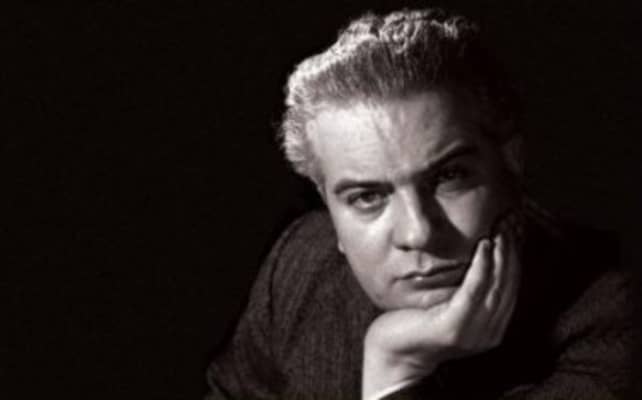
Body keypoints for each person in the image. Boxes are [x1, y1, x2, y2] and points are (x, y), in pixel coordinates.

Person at [204, 8, 637, 400]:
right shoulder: (300, 266)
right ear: (329, 209)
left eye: (448, 177)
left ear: (511, 163)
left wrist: (395, 366)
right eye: (368, 197)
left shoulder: (614, 321)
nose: (419, 233)